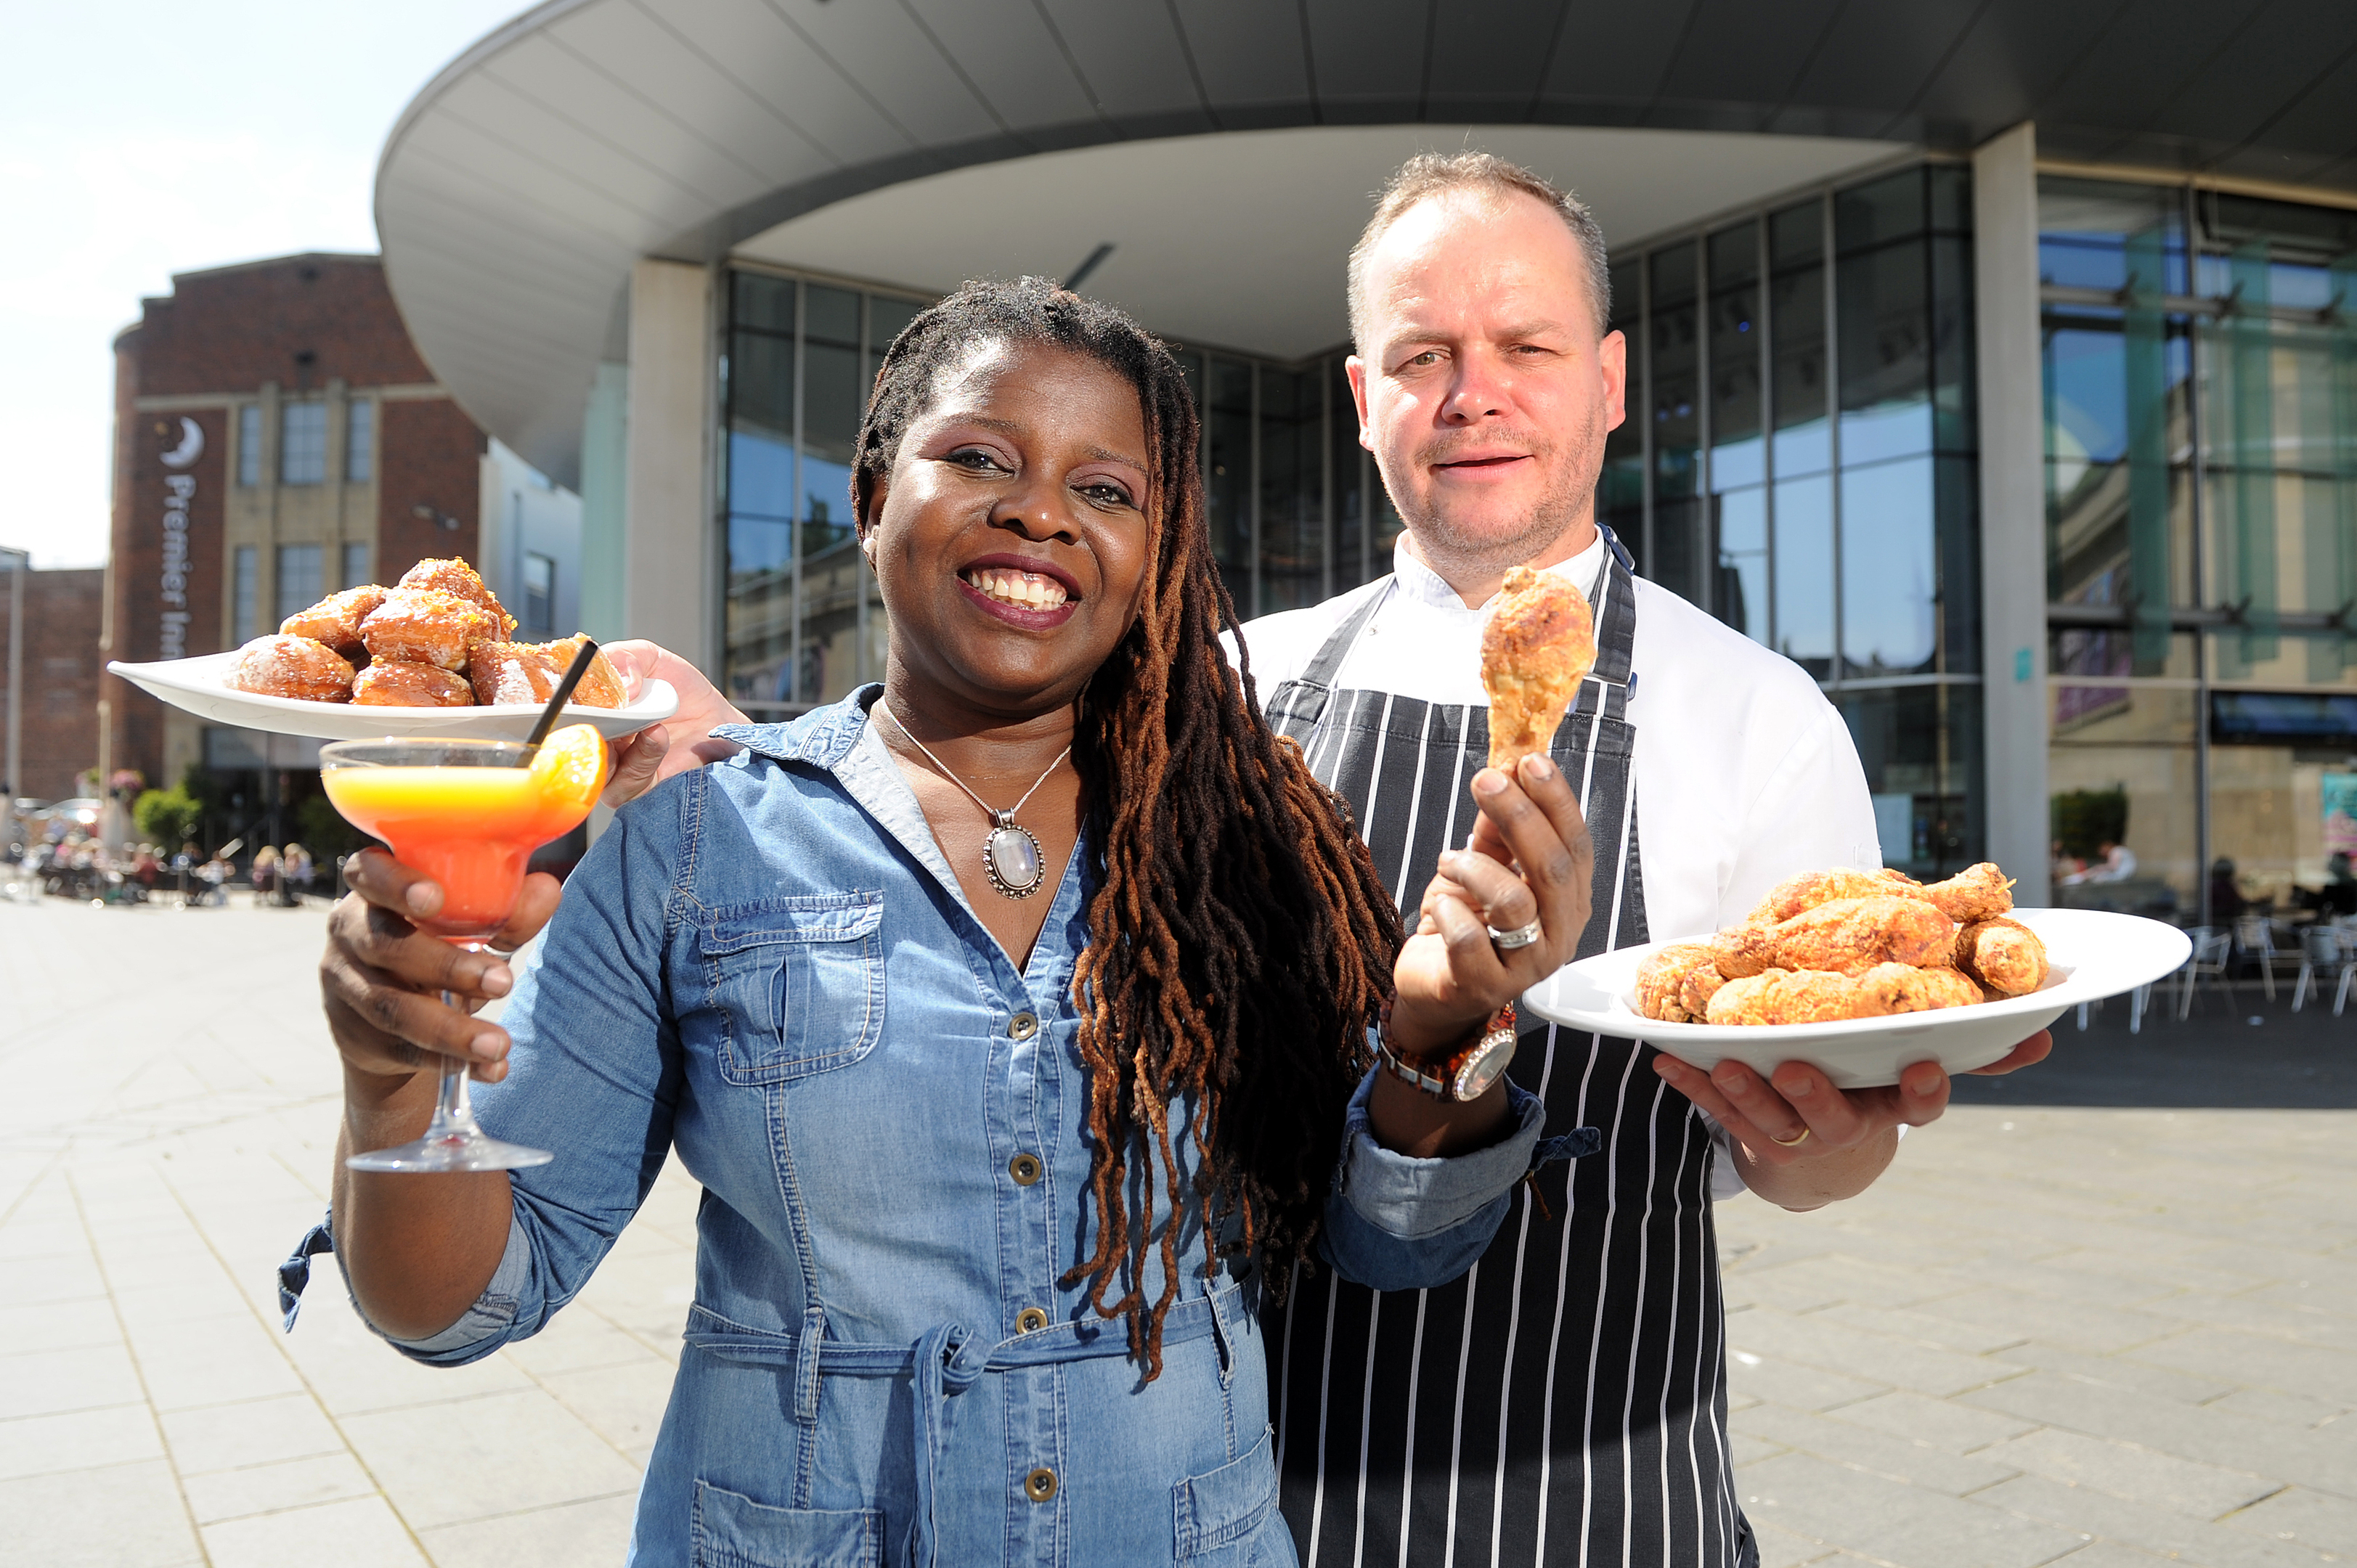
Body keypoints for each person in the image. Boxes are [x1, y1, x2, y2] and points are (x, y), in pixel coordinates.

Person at [291, 280, 1603, 1566]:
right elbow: (455, 1304)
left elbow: (1390, 1248)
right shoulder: (697, 837)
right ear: (871, 500)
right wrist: (391, 1088)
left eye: (1106, 490)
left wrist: (1438, 1040)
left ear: (1156, 552)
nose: (1040, 511)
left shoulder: (1244, 845)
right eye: (979, 456)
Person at [1228, 152, 2051, 1565]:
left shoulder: (1759, 712)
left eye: (1525, 348)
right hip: (1267, 1506)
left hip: (1609, 1496)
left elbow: (1807, 1168)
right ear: (1366, 403)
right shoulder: (1238, 690)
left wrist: (1824, 1141)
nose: (1473, 391)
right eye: (1424, 354)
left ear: (1607, 382)